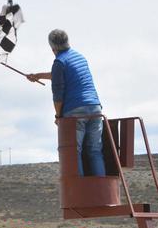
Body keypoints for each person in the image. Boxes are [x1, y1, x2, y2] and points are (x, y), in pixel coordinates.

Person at [27, 29, 105, 176]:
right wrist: (38, 76)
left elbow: (58, 96)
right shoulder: (79, 57)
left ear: (52, 48)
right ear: (67, 42)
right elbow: (64, 74)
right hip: (95, 109)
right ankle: (101, 193)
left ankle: (81, 194)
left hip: (75, 112)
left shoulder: (59, 62)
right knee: (95, 150)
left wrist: (58, 116)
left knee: (74, 153)